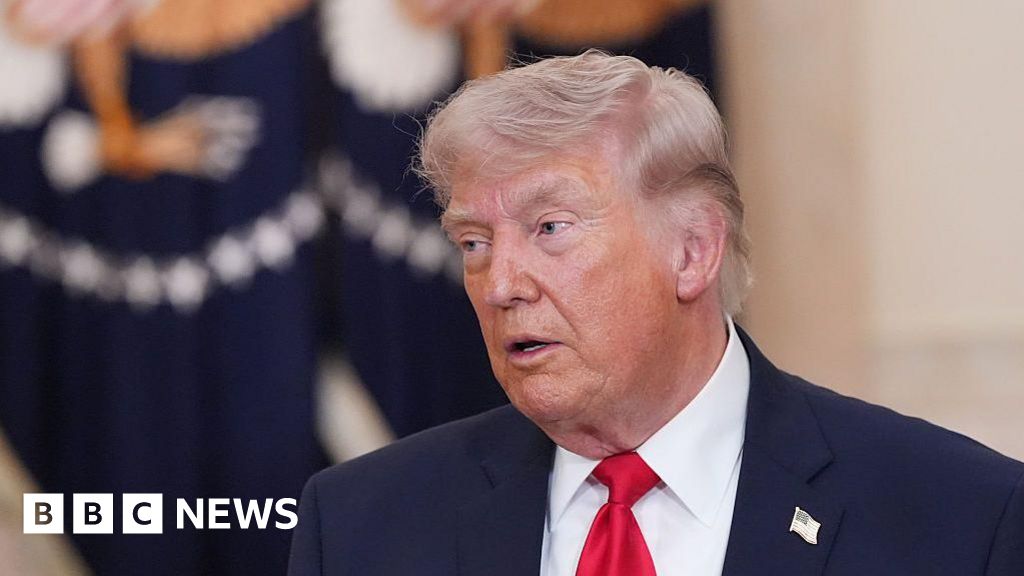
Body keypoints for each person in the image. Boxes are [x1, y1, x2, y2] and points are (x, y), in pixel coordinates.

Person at [288, 51, 1024, 575]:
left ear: (693, 252)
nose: (500, 283)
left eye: (551, 228)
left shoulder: (961, 519)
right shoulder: (359, 526)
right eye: (474, 242)